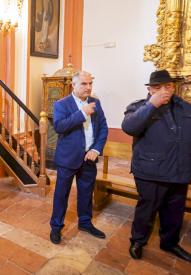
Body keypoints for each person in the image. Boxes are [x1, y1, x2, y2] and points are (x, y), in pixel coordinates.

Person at [122, 70, 191, 262]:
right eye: (158, 88)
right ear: (149, 89)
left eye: (167, 86)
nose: (164, 91)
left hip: (179, 168)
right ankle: (138, 241)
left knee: (175, 210)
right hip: (151, 170)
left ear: (173, 86)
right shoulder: (138, 107)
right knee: (147, 208)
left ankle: (169, 243)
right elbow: (129, 127)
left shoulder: (185, 107)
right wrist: (152, 104)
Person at [49, 71, 108, 244]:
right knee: (61, 194)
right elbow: (59, 127)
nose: (88, 87)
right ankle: (56, 227)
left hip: (89, 157)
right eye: (84, 84)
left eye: (90, 83)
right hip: (68, 158)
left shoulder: (95, 103)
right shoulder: (62, 104)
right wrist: (81, 114)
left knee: (86, 193)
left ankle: (85, 222)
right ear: (74, 85)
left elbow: (103, 128)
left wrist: (96, 149)